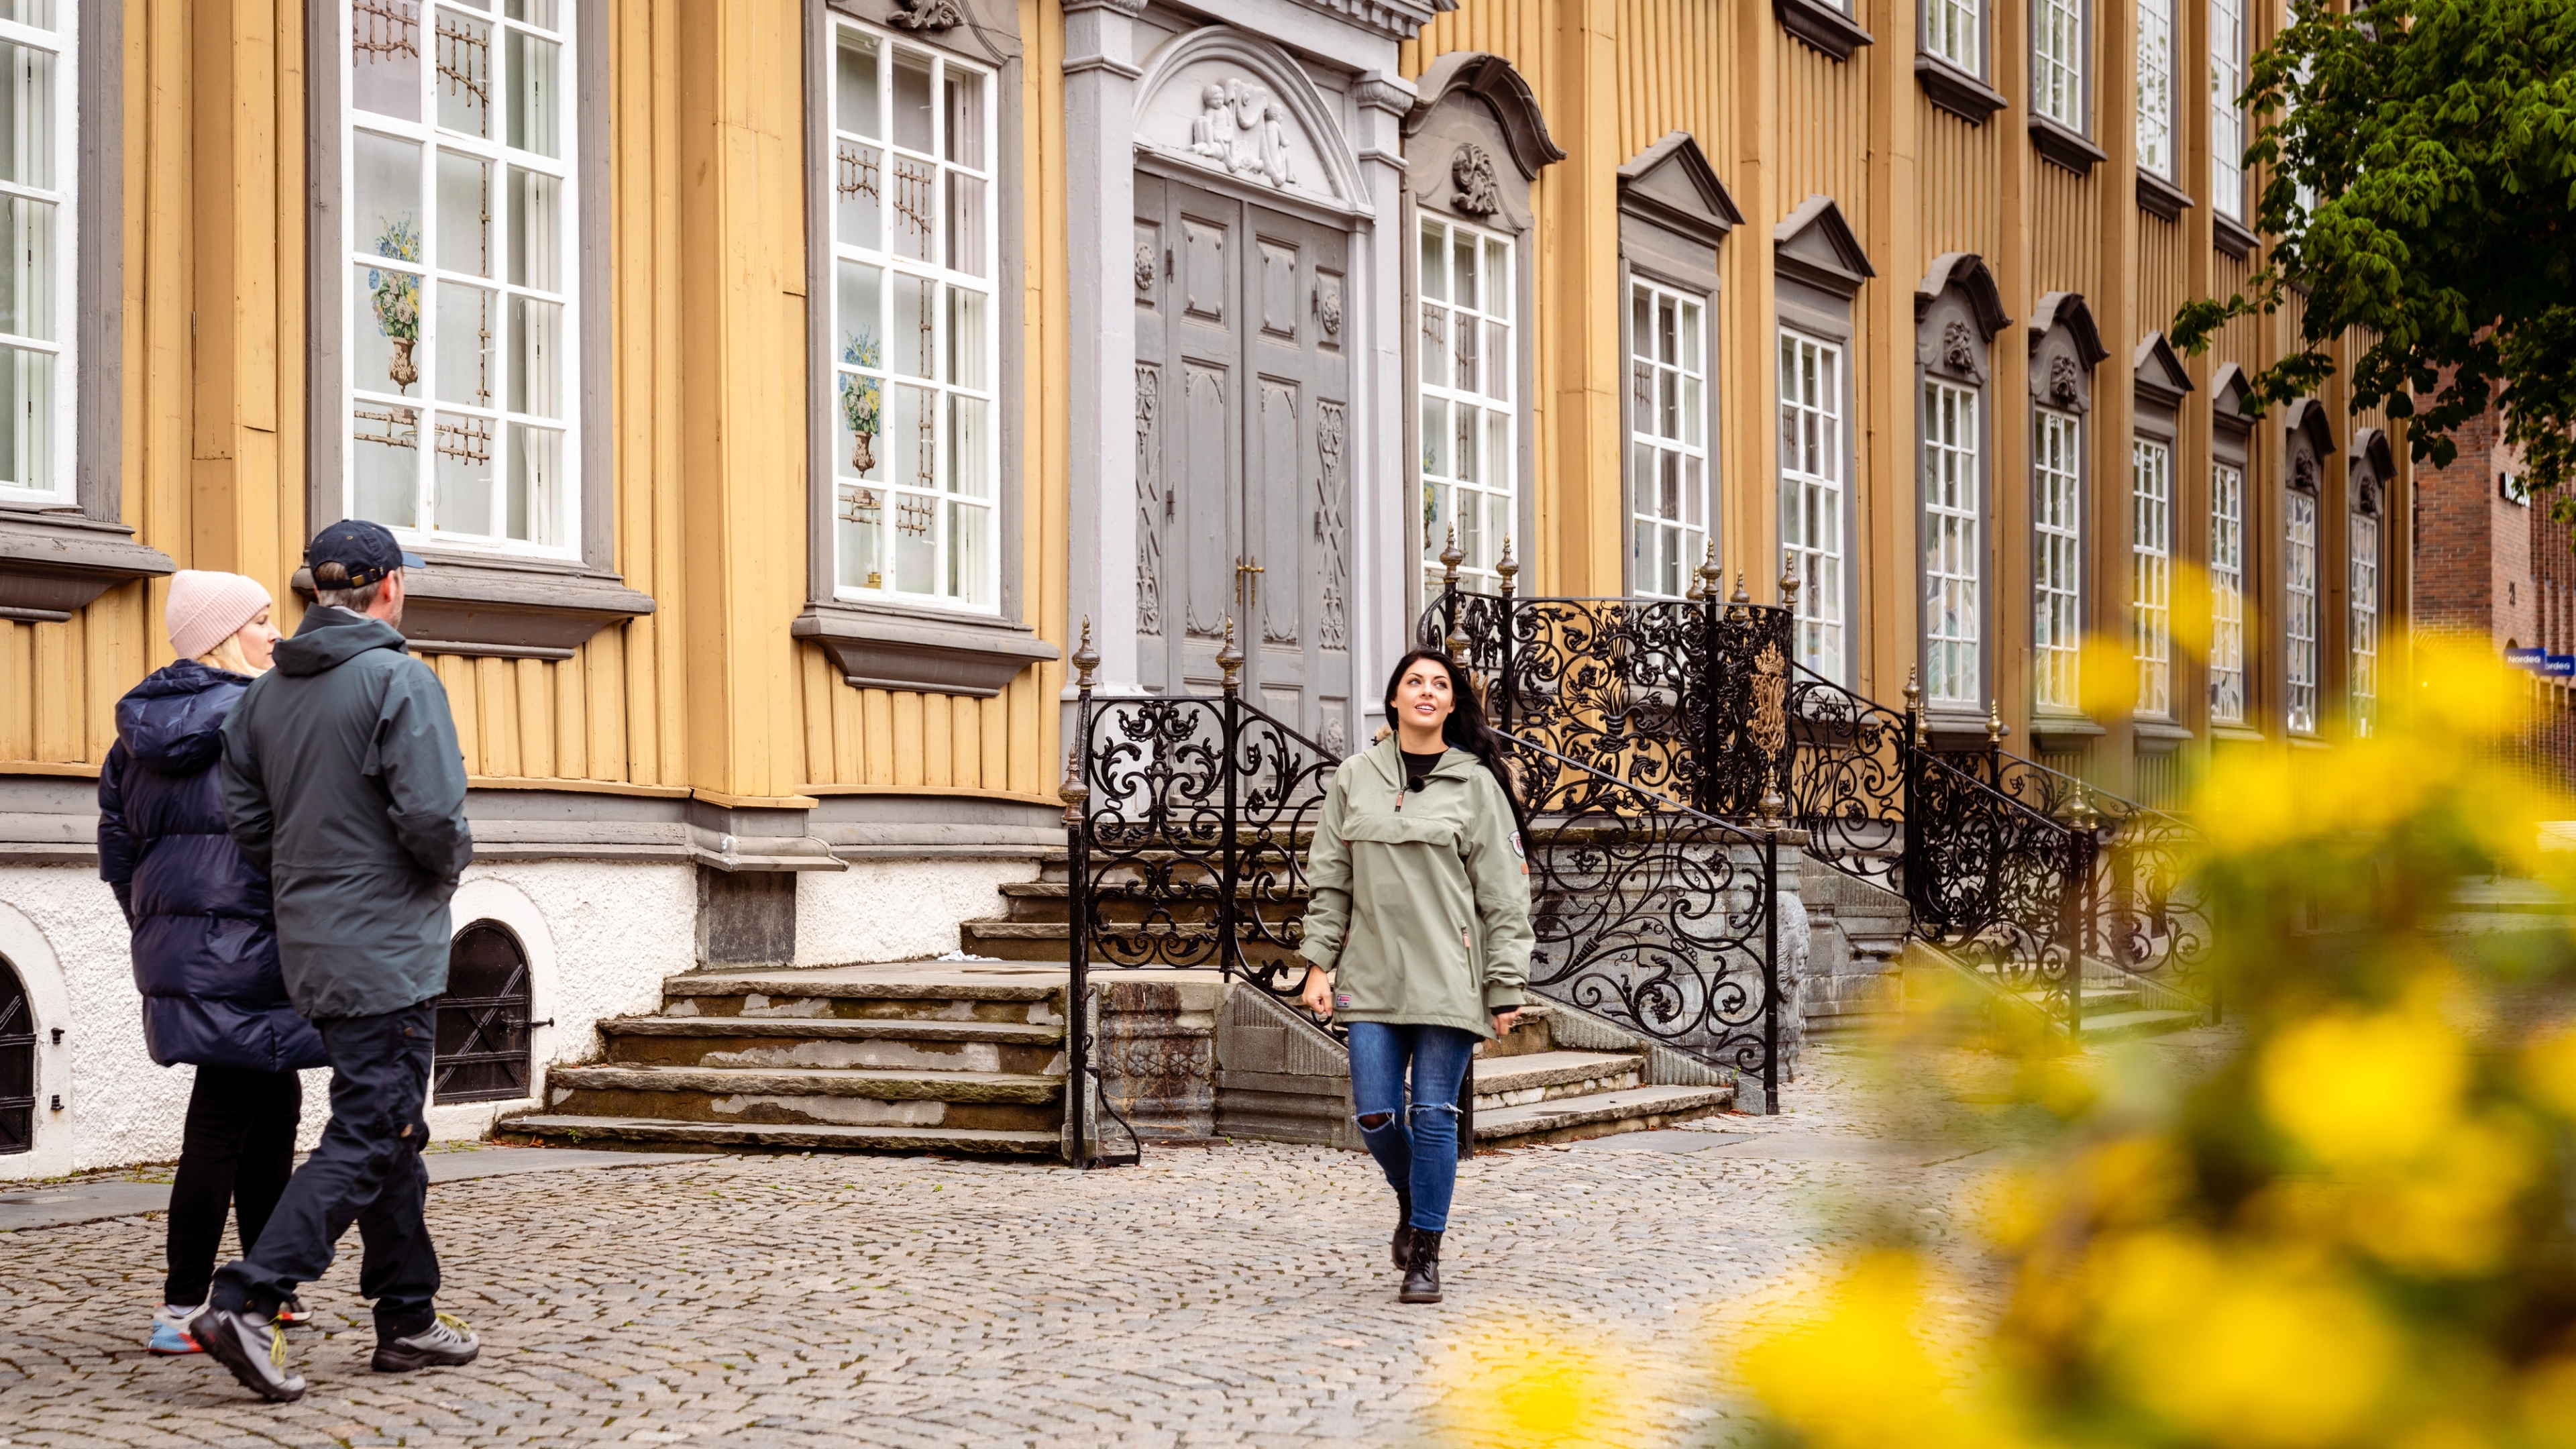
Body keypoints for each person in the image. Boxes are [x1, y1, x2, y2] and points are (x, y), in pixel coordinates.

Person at [189, 520, 478, 1403]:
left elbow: (251, 827)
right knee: (372, 1127)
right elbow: (433, 820)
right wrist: (446, 867)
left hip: (313, 944)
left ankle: (408, 1317)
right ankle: (247, 1300)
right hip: (388, 947)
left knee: (390, 1127)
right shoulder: (400, 680)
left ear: (317, 592)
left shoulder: (264, 698)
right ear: (388, 587)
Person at [98, 572, 328, 1356]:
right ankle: (183, 1305)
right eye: (262, 621)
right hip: (262, 946)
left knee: (271, 1112)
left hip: (194, 954)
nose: (276, 634)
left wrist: (170, 936)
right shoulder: (265, 717)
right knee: (225, 1123)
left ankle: (264, 1291)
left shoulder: (133, 733)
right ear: (225, 636)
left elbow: (118, 857)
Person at [1295, 647, 1534, 1304]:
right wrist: (1319, 963)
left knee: (1433, 1114)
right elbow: (1331, 882)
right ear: (1394, 700)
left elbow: (1505, 899)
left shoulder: (1477, 786)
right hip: (1370, 975)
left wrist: (1506, 984)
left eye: (1439, 684)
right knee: (1376, 1114)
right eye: (1414, 682)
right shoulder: (1354, 778)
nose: (1427, 692)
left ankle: (1424, 1252)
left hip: (1451, 978)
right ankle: (1412, 1191)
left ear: (1452, 704)